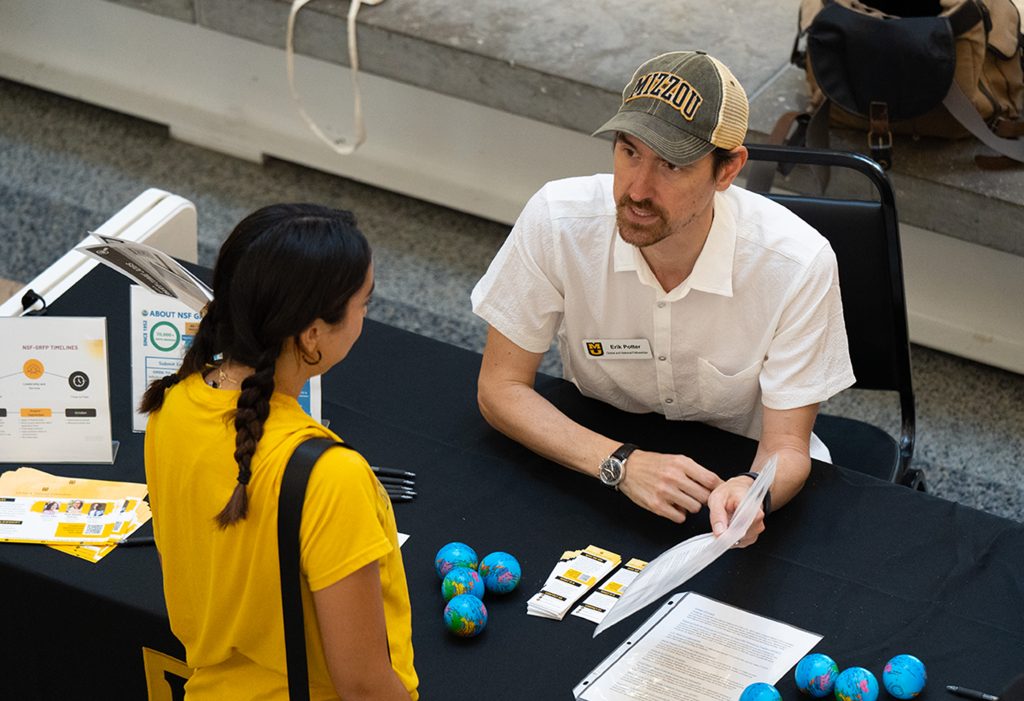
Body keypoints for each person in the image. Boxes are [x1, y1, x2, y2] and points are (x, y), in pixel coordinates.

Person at [472, 51, 855, 547]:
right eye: (629, 151)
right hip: (592, 453)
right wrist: (618, 463)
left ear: (728, 169)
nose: (637, 189)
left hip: (730, 472)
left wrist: (752, 493)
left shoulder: (797, 264)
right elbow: (499, 387)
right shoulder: (557, 221)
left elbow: (786, 446)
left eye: (671, 164)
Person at [142, 204, 417, 700]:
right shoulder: (331, 477)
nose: (366, 316)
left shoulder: (171, 405)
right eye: (364, 303)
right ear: (312, 335)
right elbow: (364, 686)